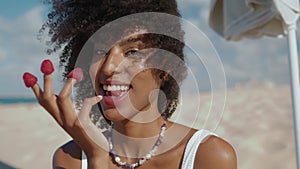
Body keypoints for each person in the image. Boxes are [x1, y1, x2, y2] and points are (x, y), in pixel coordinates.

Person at [23, 0, 237, 168]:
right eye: (100, 52)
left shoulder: (208, 156)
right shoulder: (71, 160)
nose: (108, 68)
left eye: (132, 52)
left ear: (165, 67)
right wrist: (97, 158)